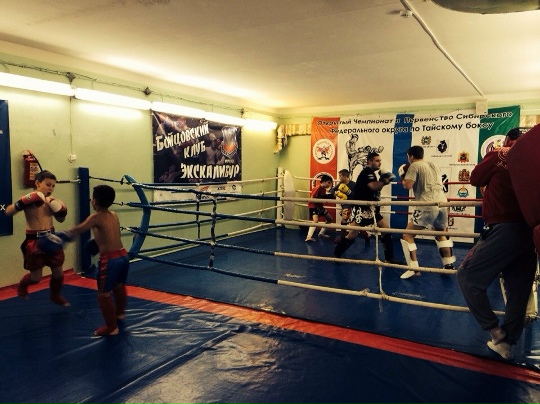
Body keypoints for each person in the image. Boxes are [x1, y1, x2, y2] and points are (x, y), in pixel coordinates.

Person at [457, 128, 536, 360]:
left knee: (467, 277)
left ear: (508, 140)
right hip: (530, 230)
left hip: (504, 227)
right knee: (518, 290)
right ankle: (507, 344)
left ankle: (495, 331)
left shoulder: (502, 153)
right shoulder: (535, 158)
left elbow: (474, 179)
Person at [57, 185, 129, 336]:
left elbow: (79, 229)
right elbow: (110, 235)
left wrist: (59, 236)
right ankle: (120, 313)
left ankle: (112, 327)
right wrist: (97, 242)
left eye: (92, 197)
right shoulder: (114, 214)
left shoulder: (95, 217)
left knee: (103, 294)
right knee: (118, 286)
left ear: (94, 201)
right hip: (123, 255)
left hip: (110, 260)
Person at [5, 170, 70, 306]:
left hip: (51, 238)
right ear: (37, 183)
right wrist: (22, 202)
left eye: (53, 186)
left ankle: (55, 296)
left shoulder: (51, 202)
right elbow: (8, 212)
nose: (51, 188)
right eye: (48, 184)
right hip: (34, 241)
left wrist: (62, 211)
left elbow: (61, 220)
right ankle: (22, 285)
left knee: (58, 274)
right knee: (36, 278)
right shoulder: (29, 199)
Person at [399, 146, 455, 279]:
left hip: (427, 204)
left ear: (411, 156)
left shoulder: (414, 165)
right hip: (442, 203)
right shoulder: (432, 164)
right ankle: (448, 266)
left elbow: (407, 186)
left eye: (408, 157)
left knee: (407, 235)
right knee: (440, 233)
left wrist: (402, 175)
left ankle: (413, 269)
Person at [333, 152, 398, 262]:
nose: (379, 163)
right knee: (353, 234)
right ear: (369, 161)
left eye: (380, 161)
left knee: (385, 229)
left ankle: (389, 258)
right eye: (377, 161)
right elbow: (373, 186)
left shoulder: (371, 174)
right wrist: (384, 181)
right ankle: (337, 253)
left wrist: (382, 181)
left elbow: (375, 189)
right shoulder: (367, 172)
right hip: (362, 208)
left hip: (370, 208)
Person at [330, 169, 362, 243]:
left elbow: (356, 195)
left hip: (351, 206)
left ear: (345, 176)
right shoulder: (340, 184)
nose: (339, 178)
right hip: (344, 205)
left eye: (340, 176)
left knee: (344, 221)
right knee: (354, 223)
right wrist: (337, 193)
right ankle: (367, 235)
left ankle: (343, 238)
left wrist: (348, 192)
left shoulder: (353, 184)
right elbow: (332, 190)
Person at [305, 174, 334, 242]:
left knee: (330, 219)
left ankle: (321, 233)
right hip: (313, 206)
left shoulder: (323, 189)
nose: (329, 185)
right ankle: (308, 237)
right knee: (315, 221)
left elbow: (321, 198)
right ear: (323, 181)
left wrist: (326, 197)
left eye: (330, 183)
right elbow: (312, 199)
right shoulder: (317, 188)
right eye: (328, 182)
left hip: (319, 206)